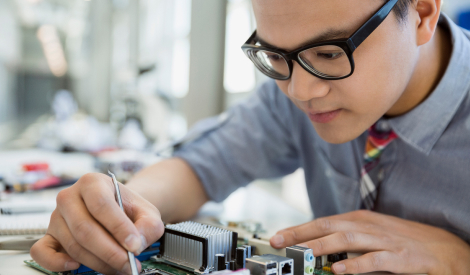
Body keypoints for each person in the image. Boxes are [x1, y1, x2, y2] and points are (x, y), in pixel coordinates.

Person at [31, 0, 470, 274]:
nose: (300, 91)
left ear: (422, 13)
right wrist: (116, 207)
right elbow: (201, 166)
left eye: (330, 53)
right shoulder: (300, 90)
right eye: (275, 54)